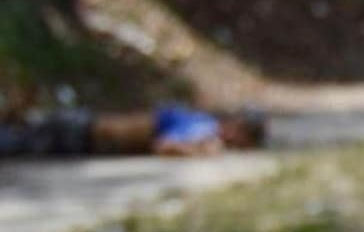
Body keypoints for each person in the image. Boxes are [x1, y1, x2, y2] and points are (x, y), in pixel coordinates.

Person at [0, 104, 267, 157]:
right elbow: (164, 145)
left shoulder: (200, 120)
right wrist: (201, 151)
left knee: (19, 136)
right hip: (84, 133)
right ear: (237, 128)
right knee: (15, 144)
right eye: (245, 139)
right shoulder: (203, 127)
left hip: (86, 128)